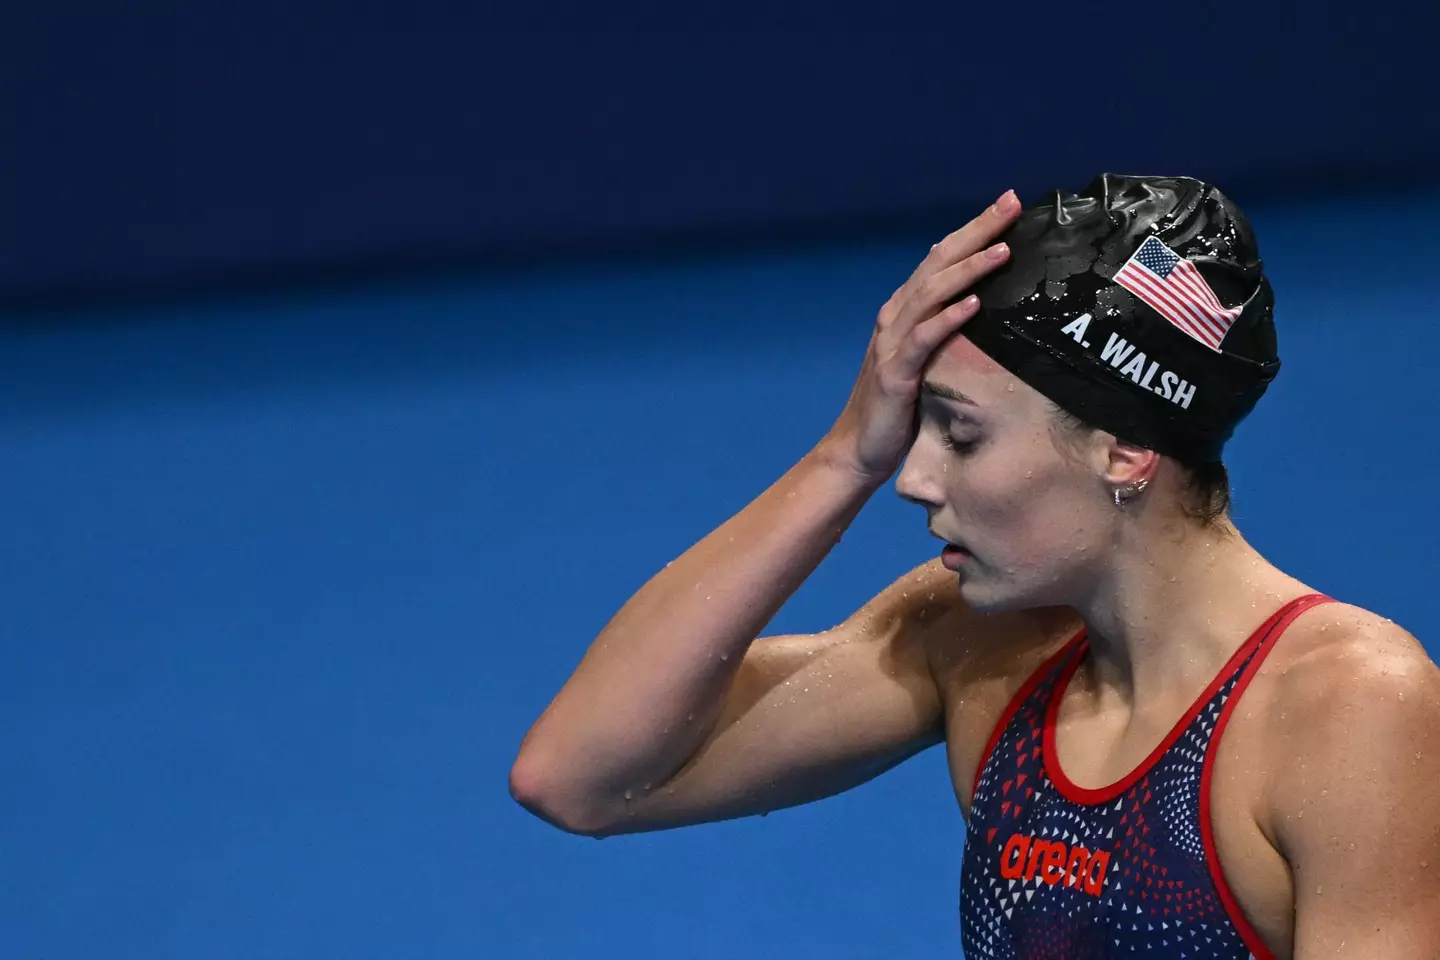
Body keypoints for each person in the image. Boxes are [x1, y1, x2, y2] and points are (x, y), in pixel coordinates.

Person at [509, 174, 1440, 958]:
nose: (912, 478)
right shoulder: (981, 644)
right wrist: (844, 456)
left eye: (959, 433)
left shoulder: (1348, 708)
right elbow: (580, 777)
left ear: (1124, 451)